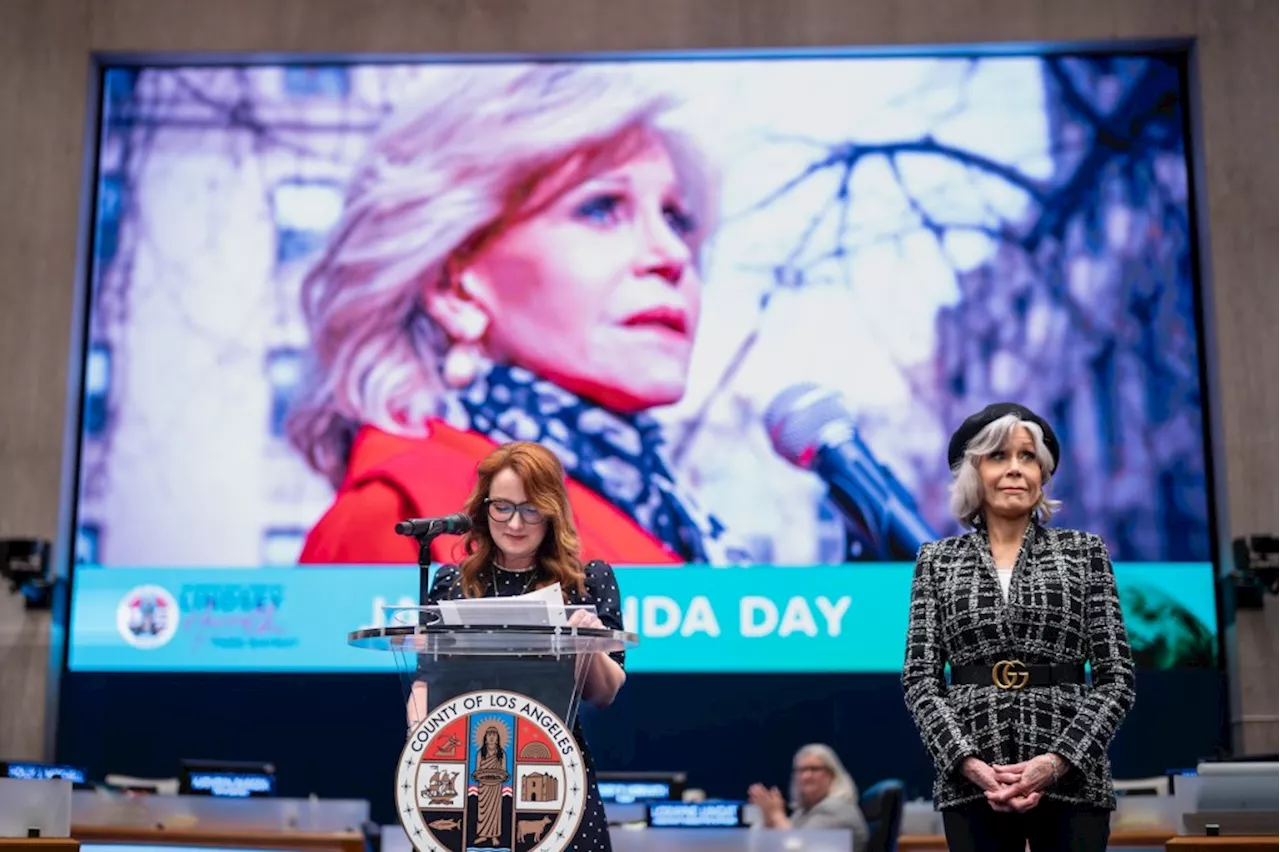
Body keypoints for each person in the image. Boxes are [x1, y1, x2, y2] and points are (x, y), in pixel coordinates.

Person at [286, 64, 746, 567]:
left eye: (677, 219)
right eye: (600, 208)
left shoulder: (665, 513)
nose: (673, 254)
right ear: (454, 286)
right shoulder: (404, 519)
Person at [902, 402, 1136, 852]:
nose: (1015, 469)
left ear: (1042, 473)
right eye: (998, 456)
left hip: (1072, 778)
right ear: (975, 472)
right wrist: (966, 761)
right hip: (973, 782)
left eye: (1027, 457)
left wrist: (1056, 762)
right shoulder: (937, 560)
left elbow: (1117, 679)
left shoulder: (1084, 552)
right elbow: (920, 680)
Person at [418, 440, 626, 851]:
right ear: (484, 508)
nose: (515, 523)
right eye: (503, 507)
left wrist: (586, 644)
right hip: (465, 767)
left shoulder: (586, 582)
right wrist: (419, 737)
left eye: (530, 509)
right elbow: (426, 682)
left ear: (551, 512)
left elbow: (605, 693)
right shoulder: (450, 583)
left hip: (554, 769)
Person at [747, 744, 870, 851]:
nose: (806, 776)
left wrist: (776, 815)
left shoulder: (837, 809)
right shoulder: (802, 813)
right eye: (801, 770)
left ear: (832, 774)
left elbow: (802, 848)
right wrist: (768, 820)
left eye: (814, 769)